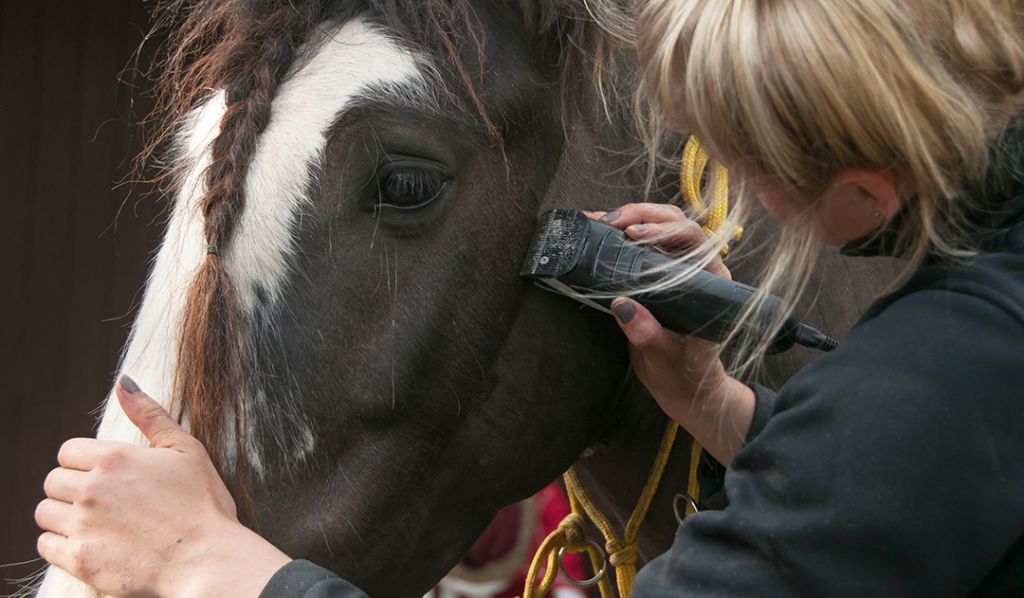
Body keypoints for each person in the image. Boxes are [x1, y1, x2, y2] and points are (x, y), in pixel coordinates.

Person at [35, 0, 1024, 596]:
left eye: (747, 157)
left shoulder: (944, 370)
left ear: (864, 189)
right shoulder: (980, 329)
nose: (736, 185)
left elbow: (907, 443)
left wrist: (214, 564)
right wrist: (724, 411)